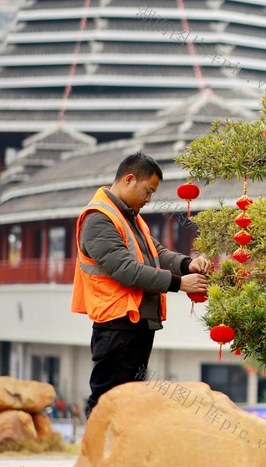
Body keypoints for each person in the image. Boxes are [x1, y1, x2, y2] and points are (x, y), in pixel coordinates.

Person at [71, 152, 209, 417]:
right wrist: (180, 284)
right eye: (148, 191)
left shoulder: (128, 215)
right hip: (116, 324)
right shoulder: (99, 218)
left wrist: (186, 264)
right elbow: (125, 270)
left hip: (135, 321)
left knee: (129, 400)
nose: (149, 199)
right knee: (108, 400)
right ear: (129, 179)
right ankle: (99, 456)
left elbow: (157, 252)